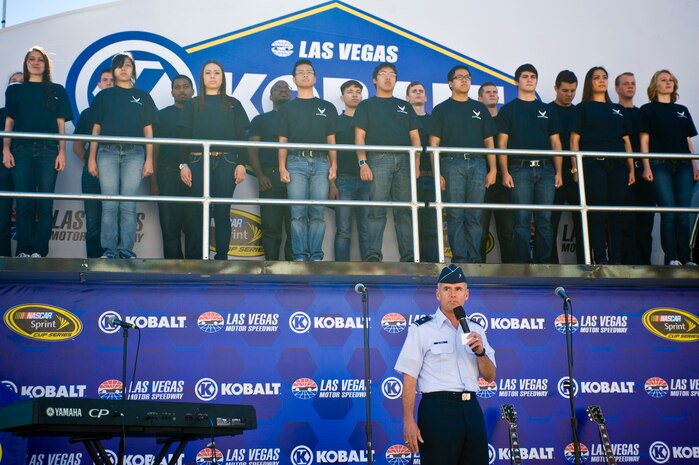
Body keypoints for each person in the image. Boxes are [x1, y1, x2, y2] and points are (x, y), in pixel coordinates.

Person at [395, 264, 496, 464]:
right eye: (447, 289)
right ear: (437, 294)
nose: (453, 294)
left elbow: (490, 375)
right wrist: (408, 420)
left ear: (466, 295)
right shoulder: (421, 329)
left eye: (458, 289)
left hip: (471, 409)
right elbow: (409, 377)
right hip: (438, 411)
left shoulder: (476, 329)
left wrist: (480, 352)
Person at [3, 46, 73, 258]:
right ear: (26, 64)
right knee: (24, 202)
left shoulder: (57, 90)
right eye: (31, 59)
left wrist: (62, 152)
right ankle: (24, 251)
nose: (35, 62)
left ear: (46, 65)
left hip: (48, 150)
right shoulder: (14, 90)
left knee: (45, 203)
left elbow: (61, 124)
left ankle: (40, 252)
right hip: (21, 150)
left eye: (40, 59)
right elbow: (9, 122)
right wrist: (6, 149)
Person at [88, 52, 157, 259]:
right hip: (106, 152)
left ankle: (125, 251)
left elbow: (148, 131)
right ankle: (109, 251)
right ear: (113, 70)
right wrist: (92, 158)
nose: (124, 69)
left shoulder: (143, 96)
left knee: (128, 204)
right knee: (109, 204)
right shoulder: (103, 96)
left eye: (128, 65)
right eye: (119, 66)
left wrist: (149, 159)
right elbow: (96, 129)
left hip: (135, 153)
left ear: (133, 70)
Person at [179, 60, 250, 260]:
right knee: (199, 211)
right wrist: (183, 165)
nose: (212, 76)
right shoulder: (192, 104)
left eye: (216, 73)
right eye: (208, 72)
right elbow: (182, 138)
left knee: (222, 211)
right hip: (196, 161)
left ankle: (221, 259)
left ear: (222, 77)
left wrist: (242, 163)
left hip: (227, 162)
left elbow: (241, 136)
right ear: (202, 77)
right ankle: (199, 259)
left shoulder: (233, 103)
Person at [428, 66, 497, 263]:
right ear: (450, 83)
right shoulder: (441, 109)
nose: (464, 80)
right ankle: (460, 259)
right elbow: (434, 145)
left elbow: (489, 142)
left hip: (478, 164)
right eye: (459, 77)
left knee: (475, 215)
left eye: (467, 77)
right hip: (451, 164)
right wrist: (437, 174)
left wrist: (493, 169)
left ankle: (475, 260)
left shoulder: (480, 108)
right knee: (456, 215)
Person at [354, 63, 421, 262]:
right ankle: (373, 256)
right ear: (375, 80)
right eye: (383, 74)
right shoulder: (366, 105)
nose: (388, 78)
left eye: (392, 74)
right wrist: (362, 162)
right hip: (378, 158)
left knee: (405, 211)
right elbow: (359, 136)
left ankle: (409, 257)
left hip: (405, 160)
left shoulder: (404, 105)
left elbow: (415, 138)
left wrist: (416, 163)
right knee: (376, 210)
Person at [497, 64, 562, 264]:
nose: (529, 79)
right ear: (517, 81)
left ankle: (544, 266)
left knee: (545, 221)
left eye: (533, 76)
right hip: (519, 169)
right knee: (522, 221)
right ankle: (524, 265)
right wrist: (505, 172)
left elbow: (556, 143)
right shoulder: (508, 110)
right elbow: (501, 144)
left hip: (547, 170)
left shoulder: (547, 109)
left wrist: (559, 171)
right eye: (525, 76)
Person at [570, 66, 634, 265]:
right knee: (597, 212)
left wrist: (631, 167)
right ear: (590, 82)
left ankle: (616, 259)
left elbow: (627, 141)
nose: (601, 80)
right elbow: (574, 141)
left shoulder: (618, 109)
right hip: (592, 164)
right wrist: (575, 168)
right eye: (597, 77)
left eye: (604, 77)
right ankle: (599, 258)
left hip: (618, 165)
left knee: (616, 213)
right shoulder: (581, 108)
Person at [278, 60, 338, 261]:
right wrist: (282, 167)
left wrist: (334, 165)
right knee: (297, 212)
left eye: (309, 72)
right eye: (300, 72)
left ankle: (316, 256)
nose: (305, 75)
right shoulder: (287, 109)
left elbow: (331, 140)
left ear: (315, 78)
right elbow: (282, 141)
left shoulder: (326, 107)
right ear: (294, 80)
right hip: (295, 161)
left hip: (322, 162)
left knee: (317, 212)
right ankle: (300, 255)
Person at [640, 69, 698, 266]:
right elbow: (644, 141)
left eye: (671, 80)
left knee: (684, 213)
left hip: (683, 166)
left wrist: (694, 165)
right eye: (663, 80)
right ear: (655, 85)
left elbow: (687, 140)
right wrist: (646, 166)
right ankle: (671, 257)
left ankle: (685, 257)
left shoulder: (682, 109)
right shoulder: (648, 109)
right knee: (669, 211)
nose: (668, 82)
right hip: (659, 165)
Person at [248, 80, 293, 261]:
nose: (283, 91)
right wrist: (260, 175)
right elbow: (252, 151)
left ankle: (293, 268)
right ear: (270, 96)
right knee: (271, 226)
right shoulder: (260, 120)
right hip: (270, 177)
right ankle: (271, 267)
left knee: (295, 226)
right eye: (278, 89)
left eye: (286, 89)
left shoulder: (297, 119)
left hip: (297, 177)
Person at [152, 75, 194, 259]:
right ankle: (172, 268)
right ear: (172, 92)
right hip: (167, 176)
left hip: (195, 177)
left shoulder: (200, 114)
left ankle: (196, 267)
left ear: (193, 90)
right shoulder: (161, 116)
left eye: (185, 86)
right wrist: (153, 182)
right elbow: (155, 150)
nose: (182, 90)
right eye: (177, 87)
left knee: (195, 225)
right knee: (169, 227)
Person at [73, 68, 113, 258]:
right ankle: (94, 263)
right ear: (98, 84)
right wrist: (91, 163)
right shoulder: (88, 113)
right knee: (94, 220)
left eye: (112, 80)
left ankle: (115, 261)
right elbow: (78, 146)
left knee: (116, 216)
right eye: (105, 80)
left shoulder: (127, 112)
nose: (109, 83)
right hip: (92, 172)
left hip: (118, 171)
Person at [617, 72, 655, 265]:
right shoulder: (613, 112)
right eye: (626, 84)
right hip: (623, 172)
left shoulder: (643, 113)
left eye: (633, 83)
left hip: (645, 171)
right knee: (626, 223)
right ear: (617, 88)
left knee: (646, 221)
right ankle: (628, 266)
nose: (630, 87)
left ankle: (645, 265)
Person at [329, 79, 369, 261]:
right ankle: (340, 271)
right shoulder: (335, 122)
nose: (354, 94)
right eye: (350, 91)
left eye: (358, 91)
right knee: (343, 230)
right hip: (343, 180)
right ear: (342, 96)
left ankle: (371, 269)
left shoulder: (369, 121)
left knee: (367, 228)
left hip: (368, 181)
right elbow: (330, 154)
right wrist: (332, 183)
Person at [477, 82, 515, 263]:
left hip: (504, 180)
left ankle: (512, 273)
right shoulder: (474, 120)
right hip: (480, 179)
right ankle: (478, 271)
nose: (492, 95)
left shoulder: (506, 118)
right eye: (487, 92)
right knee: (480, 231)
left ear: (499, 97)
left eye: (495, 92)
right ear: (479, 98)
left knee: (508, 231)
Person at [550, 70, 584, 264]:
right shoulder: (546, 110)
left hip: (576, 174)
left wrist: (576, 171)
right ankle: (552, 264)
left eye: (573, 90)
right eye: (565, 90)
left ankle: (583, 263)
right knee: (550, 222)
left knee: (581, 220)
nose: (569, 94)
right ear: (556, 88)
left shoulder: (579, 111)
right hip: (552, 174)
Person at [407, 81, 439, 263]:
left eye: (421, 91)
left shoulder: (434, 120)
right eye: (414, 91)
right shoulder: (402, 120)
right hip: (409, 178)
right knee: (411, 226)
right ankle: (414, 264)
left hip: (432, 178)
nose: (418, 93)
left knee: (432, 226)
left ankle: (432, 265)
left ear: (426, 97)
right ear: (407, 97)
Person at [0, 71, 23, 257]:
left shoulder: (35, 117)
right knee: (1, 221)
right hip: (2, 174)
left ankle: (27, 259)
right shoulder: (1, 114)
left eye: (21, 82)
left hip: (28, 172)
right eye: (12, 82)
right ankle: (3, 260)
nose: (16, 85)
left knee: (28, 217)